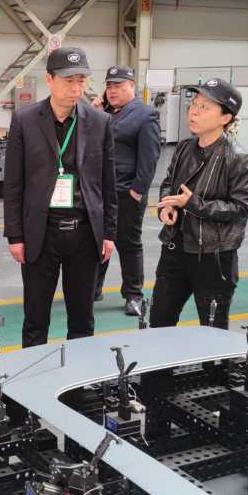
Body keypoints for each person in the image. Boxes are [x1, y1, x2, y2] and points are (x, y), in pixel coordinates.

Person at [3, 47, 117, 348]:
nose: (76, 88)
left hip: (85, 234)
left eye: (81, 80)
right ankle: (33, 374)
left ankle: (79, 375)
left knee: (82, 320)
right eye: (68, 80)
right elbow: (13, 183)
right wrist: (15, 235)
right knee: (35, 319)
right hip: (41, 233)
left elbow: (108, 183)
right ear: (49, 80)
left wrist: (109, 233)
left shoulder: (99, 122)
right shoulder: (25, 120)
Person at [149, 78, 248, 331]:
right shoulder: (184, 148)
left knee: (212, 329)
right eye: (194, 104)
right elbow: (169, 183)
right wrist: (167, 206)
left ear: (225, 118)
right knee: (159, 322)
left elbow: (242, 207)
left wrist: (193, 203)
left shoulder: (237, 158)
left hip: (213, 256)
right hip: (175, 248)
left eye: (204, 107)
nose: (194, 111)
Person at [93, 66, 161, 316]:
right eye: (109, 86)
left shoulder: (145, 114)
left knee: (128, 243)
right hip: (100, 191)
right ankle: (93, 288)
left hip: (126, 192)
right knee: (97, 240)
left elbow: (150, 157)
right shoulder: (105, 113)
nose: (112, 91)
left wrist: (137, 191)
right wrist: (95, 112)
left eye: (119, 86)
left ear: (131, 86)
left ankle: (133, 295)